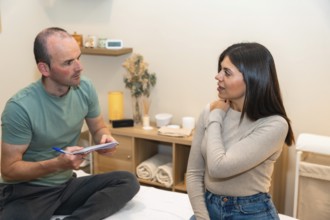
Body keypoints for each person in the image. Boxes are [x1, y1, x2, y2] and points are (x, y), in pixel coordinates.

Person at [0, 27, 140, 220]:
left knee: (128, 181)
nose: (79, 67)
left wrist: (104, 138)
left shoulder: (85, 87)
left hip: (66, 187)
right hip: (27, 191)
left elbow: (98, 127)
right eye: (68, 62)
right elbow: (9, 170)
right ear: (44, 69)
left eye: (78, 58)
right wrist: (57, 164)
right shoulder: (20, 107)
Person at [186, 42, 295, 220]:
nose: (217, 76)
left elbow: (218, 168)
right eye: (220, 69)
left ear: (253, 78)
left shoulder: (274, 125)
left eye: (227, 72)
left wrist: (216, 117)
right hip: (209, 207)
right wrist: (201, 217)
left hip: (250, 213)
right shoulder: (211, 110)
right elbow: (194, 172)